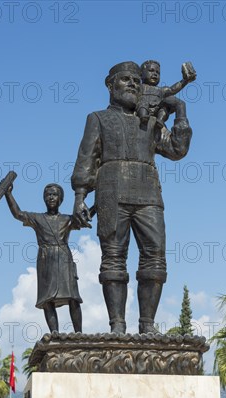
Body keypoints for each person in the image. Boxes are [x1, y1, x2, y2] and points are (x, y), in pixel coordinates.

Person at [72, 61, 193, 334]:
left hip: (148, 193)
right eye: (126, 79)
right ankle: (117, 325)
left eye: (137, 81)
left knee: (155, 256)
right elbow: (86, 158)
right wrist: (80, 197)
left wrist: (180, 112)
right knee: (113, 258)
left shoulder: (151, 122)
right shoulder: (98, 119)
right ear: (110, 84)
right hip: (111, 193)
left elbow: (176, 149)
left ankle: (147, 324)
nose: (133, 85)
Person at [5, 183, 83, 333]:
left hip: (64, 258)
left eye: (54, 195)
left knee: (73, 297)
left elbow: (83, 218)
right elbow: (18, 214)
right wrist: (9, 194)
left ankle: (79, 333)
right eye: (48, 195)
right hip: (45, 259)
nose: (51, 197)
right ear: (44, 198)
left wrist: (98, 204)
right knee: (47, 299)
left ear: (60, 199)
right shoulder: (37, 218)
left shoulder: (67, 219)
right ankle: (55, 334)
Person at [137, 60, 196, 128]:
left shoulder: (161, 90)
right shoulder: (139, 87)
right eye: (151, 70)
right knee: (142, 102)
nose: (155, 74)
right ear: (141, 74)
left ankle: (160, 121)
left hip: (157, 109)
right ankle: (143, 117)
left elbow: (172, 90)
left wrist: (185, 81)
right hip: (143, 109)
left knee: (166, 107)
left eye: (158, 72)